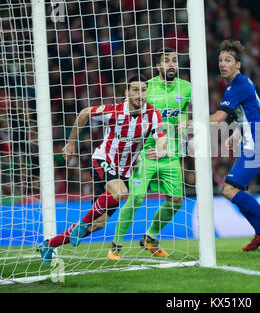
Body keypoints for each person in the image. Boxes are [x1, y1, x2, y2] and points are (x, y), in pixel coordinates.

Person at [37, 74, 167, 264]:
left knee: (99, 223)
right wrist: (71, 143)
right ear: (127, 92)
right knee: (120, 192)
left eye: (143, 90)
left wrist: (161, 151)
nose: (140, 94)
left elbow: (161, 137)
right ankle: (81, 224)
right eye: (135, 90)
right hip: (103, 160)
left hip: (124, 172)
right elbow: (84, 113)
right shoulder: (113, 111)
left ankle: (49, 244)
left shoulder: (153, 114)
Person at [190, 39, 260, 252]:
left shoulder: (238, 86)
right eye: (220, 60)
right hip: (257, 141)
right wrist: (236, 131)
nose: (223, 64)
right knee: (237, 191)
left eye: (228, 60)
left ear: (238, 64)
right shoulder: (241, 84)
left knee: (228, 189)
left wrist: (188, 123)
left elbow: (217, 119)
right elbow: (253, 112)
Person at [107, 47, 191, 260]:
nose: (171, 64)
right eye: (166, 61)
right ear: (157, 65)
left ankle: (150, 238)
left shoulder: (187, 88)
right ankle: (116, 245)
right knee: (136, 197)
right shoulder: (146, 88)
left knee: (177, 200)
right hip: (145, 153)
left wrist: (184, 126)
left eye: (174, 60)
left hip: (169, 154)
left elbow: (182, 117)